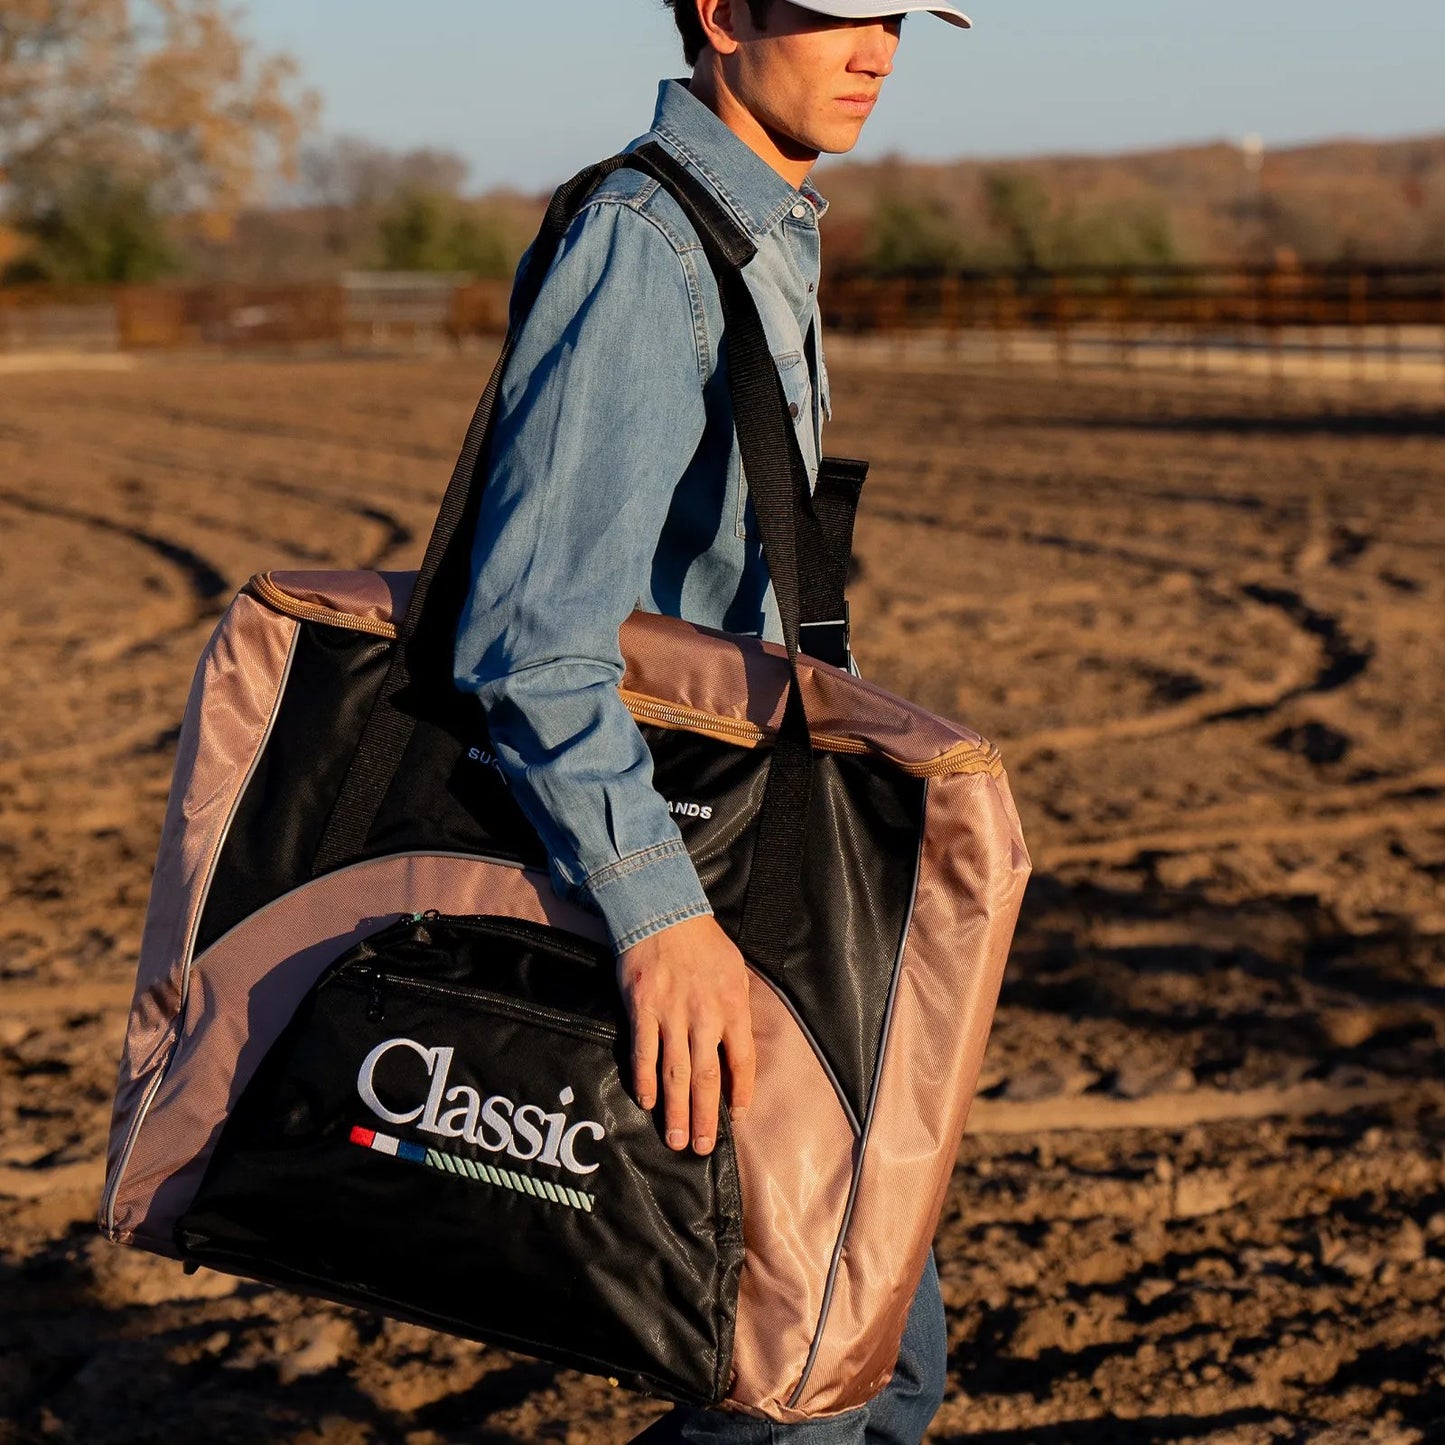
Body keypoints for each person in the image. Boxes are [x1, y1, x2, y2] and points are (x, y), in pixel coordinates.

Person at [453, 3, 973, 1440]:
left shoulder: (760, 229)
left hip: (756, 871)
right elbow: (529, 640)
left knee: (874, 1359)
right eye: (832, 15)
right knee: (797, 1390)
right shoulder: (648, 244)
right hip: (694, 892)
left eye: (893, 17)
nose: (873, 49)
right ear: (720, 15)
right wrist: (661, 919)